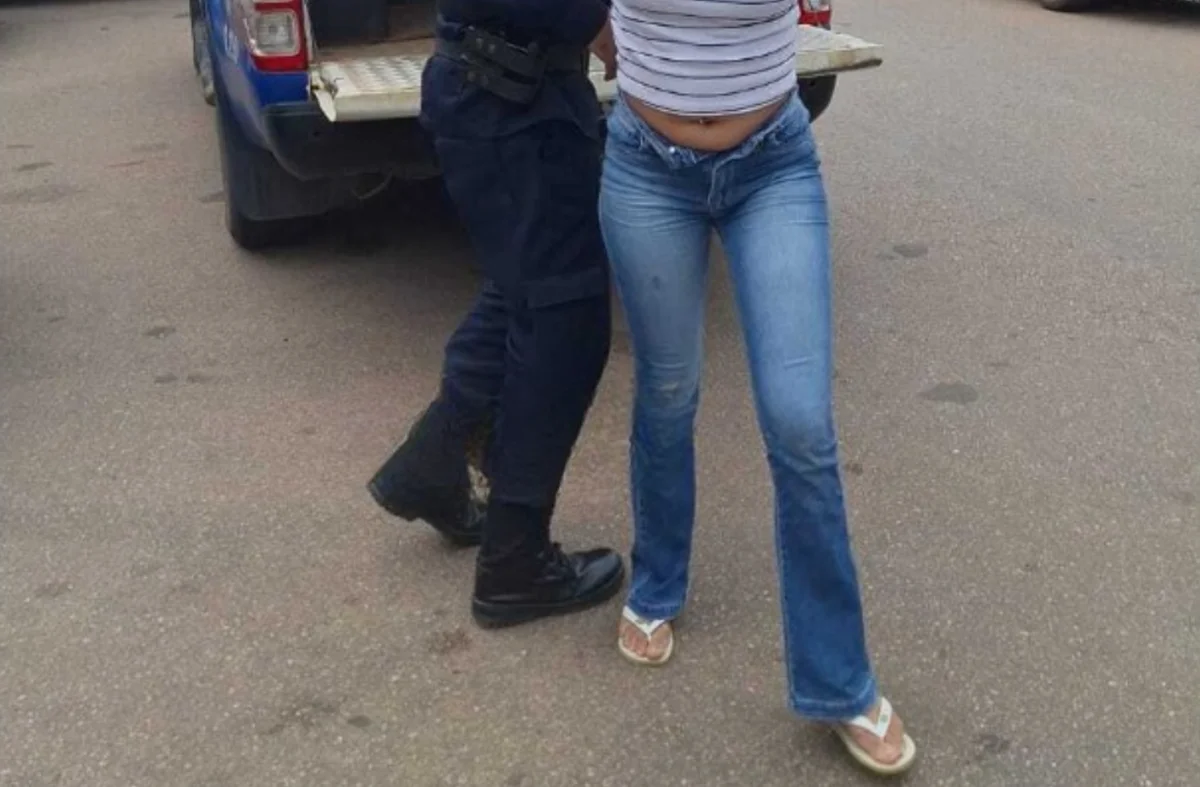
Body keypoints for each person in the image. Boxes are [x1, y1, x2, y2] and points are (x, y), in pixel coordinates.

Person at [597, 0, 917, 775]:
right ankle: (658, 582)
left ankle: (840, 679)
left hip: (773, 165)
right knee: (668, 389)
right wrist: (620, 51)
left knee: (800, 420)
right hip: (645, 167)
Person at [367, 0, 624, 628]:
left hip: (508, 93)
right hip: (513, 104)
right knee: (564, 322)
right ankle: (516, 562)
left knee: (524, 293)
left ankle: (433, 461)